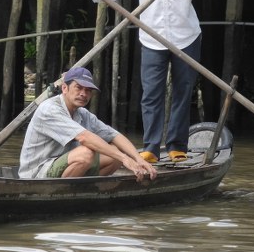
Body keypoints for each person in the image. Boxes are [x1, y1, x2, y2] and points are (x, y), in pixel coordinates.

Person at [81, 0, 211, 164]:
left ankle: (176, 146)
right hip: (152, 37)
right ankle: (151, 147)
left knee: (182, 92)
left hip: (186, 37)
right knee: (151, 94)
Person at [19, 67, 158, 181]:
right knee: (86, 153)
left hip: (63, 166)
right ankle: (65, 192)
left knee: (115, 152)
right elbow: (84, 137)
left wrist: (138, 159)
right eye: (78, 88)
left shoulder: (82, 113)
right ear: (64, 88)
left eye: (88, 91)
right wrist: (125, 159)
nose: (83, 94)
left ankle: (85, 188)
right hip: (36, 174)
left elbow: (113, 135)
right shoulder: (49, 109)